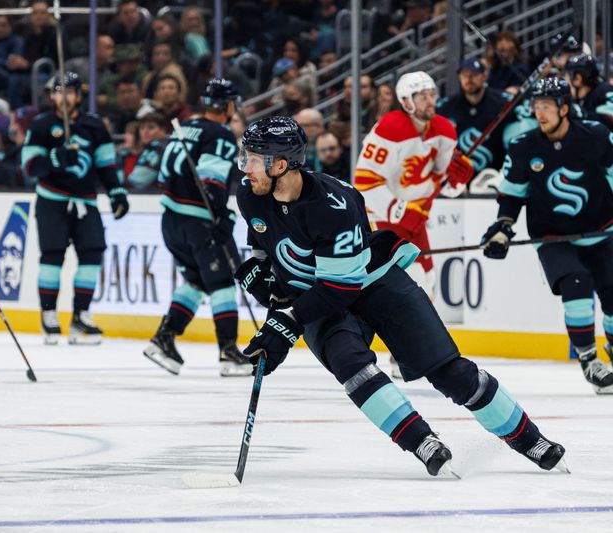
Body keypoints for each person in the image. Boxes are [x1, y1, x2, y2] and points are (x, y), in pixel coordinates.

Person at [234, 115, 568, 477]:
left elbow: (339, 288)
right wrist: (265, 285)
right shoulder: (250, 194)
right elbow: (263, 245)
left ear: (280, 164)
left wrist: (289, 320)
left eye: (252, 158)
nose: (244, 166)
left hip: (372, 283)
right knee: (353, 367)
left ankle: (529, 439)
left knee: (450, 371)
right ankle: (422, 441)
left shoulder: (335, 205)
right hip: (319, 298)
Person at [480, 78, 613, 394]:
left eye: (546, 107)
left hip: (601, 229)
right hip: (553, 236)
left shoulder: (596, 136)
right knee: (576, 282)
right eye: (536, 106)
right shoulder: (524, 146)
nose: (539, 113)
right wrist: (503, 226)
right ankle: (589, 360)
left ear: (564, 108)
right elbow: (512, 194)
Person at [354, 71, 473, 379]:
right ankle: (398, 351)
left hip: (415, 219)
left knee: (427, 284)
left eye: (432, 94)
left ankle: (401, 351)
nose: (430, 101)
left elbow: (445, 184)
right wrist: (399, 211)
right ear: (406, 102)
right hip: (384, 218)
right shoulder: (391, 127)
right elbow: (364, 180)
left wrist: (459, 179)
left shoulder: (445, 130)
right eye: (422, 96)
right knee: (411, 282)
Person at [143, 78, 251, 377]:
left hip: (171, 219)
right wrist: (221, 215)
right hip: (197, 220)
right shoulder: (220, 135)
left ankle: (164, 338)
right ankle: (228, 352)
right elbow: (212, 183)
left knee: (196, 280)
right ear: (226, 105)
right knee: (222, 282)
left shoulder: (187, 126)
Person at [21, 72, 129, 345]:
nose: (64, 98)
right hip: (52, 201)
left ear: (79, 96)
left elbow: (106, 164)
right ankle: (49, 315)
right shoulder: (42, 124)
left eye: (70, 92)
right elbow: (29, 166)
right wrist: (55, 159)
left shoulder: (94, 126)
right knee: (53, 256)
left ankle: (81, 316)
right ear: (52, 95)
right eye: (59, 92)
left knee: (92, 255)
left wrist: (116, 191)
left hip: (85, 201)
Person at [437, 58, 514, 176]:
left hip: (495, 176)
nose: (469, 79)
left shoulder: (502, 102)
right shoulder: (446, 107)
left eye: (474, 74)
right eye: (464, 75)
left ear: (484, 77)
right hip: (458, 178)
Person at [563, 53, 613, 131]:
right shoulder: (578, 99)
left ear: (577, 79)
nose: (566, 84)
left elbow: (609, 120)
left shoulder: (605, 92)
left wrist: (581, 113)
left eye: (567, 80)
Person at [127, 112, 169, 192]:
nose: (145, 132)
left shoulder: (157, 147)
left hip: (154, 197)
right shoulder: (163, 145)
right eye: (142, 128)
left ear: (163, 129)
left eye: (150, 128)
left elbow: (138, 181)